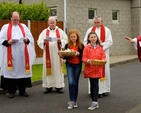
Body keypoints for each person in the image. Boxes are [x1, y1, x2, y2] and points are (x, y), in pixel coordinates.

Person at [0, 11, 36, 98]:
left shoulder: (24, 27)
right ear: (11, 18)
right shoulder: (5, 27)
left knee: (22, 72)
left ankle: (22, 91)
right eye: (14, 20)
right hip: (10, 55)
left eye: (17, 20)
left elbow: (30, 38)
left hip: (22, 56)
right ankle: (11, 91)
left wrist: (26, 39)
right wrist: (8, 41)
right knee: (11, 73)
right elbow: (1, 39)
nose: (16, 21)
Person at [83, 16, 113, 97]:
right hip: (91, 54)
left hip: (102, 53)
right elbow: (85, 41)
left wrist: (100, 46)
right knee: (92, 71)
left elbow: (110, 42)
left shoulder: (107, 30)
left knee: (104, 71)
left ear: (101, 21)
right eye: (95, 22)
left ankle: (103, 90)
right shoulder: (90, 30)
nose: (96, 24)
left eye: (98, 22)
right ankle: (92, 91)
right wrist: (91, 46)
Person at [37, 16, 68, 94]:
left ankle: (59, 86)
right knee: (49, 69)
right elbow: (39, 41)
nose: (52, 24)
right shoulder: (44, 32)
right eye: (50, 23)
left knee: (57, 69)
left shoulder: (60, 31)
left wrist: (60, 41)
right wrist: (44, 41)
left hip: (58, 55)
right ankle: (49, 86)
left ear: (55, 22)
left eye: (53, 23)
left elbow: (66, 40)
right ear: (48, 23)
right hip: (48, 55)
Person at [59, 29, 84, 109]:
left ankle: (75, 100)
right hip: (70, 65)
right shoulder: (67, 45)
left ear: (77, 37)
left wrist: (78, 54)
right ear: (69, 37)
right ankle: (71, 101)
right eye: (71, 37)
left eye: (74, 36)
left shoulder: (81, 45)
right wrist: (62, 56)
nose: (73, 38)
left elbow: (83, 55)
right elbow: (66, 55)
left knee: (75, 83)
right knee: (71, 82)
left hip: (77, 65)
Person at [82, 32, 106, 110]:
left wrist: (102, 60)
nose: (93, 38)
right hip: (90, 69)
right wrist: (88, 60)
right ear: (89, 39)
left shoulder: (100, 48)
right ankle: (94, 102)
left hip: (97, 69)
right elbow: (84, 58)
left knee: (95, 84)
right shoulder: (87, 48)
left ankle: (94, 102)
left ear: (97, 38)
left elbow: (103, 57)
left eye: (94, 37)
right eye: (91, 37)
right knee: (93, 85)